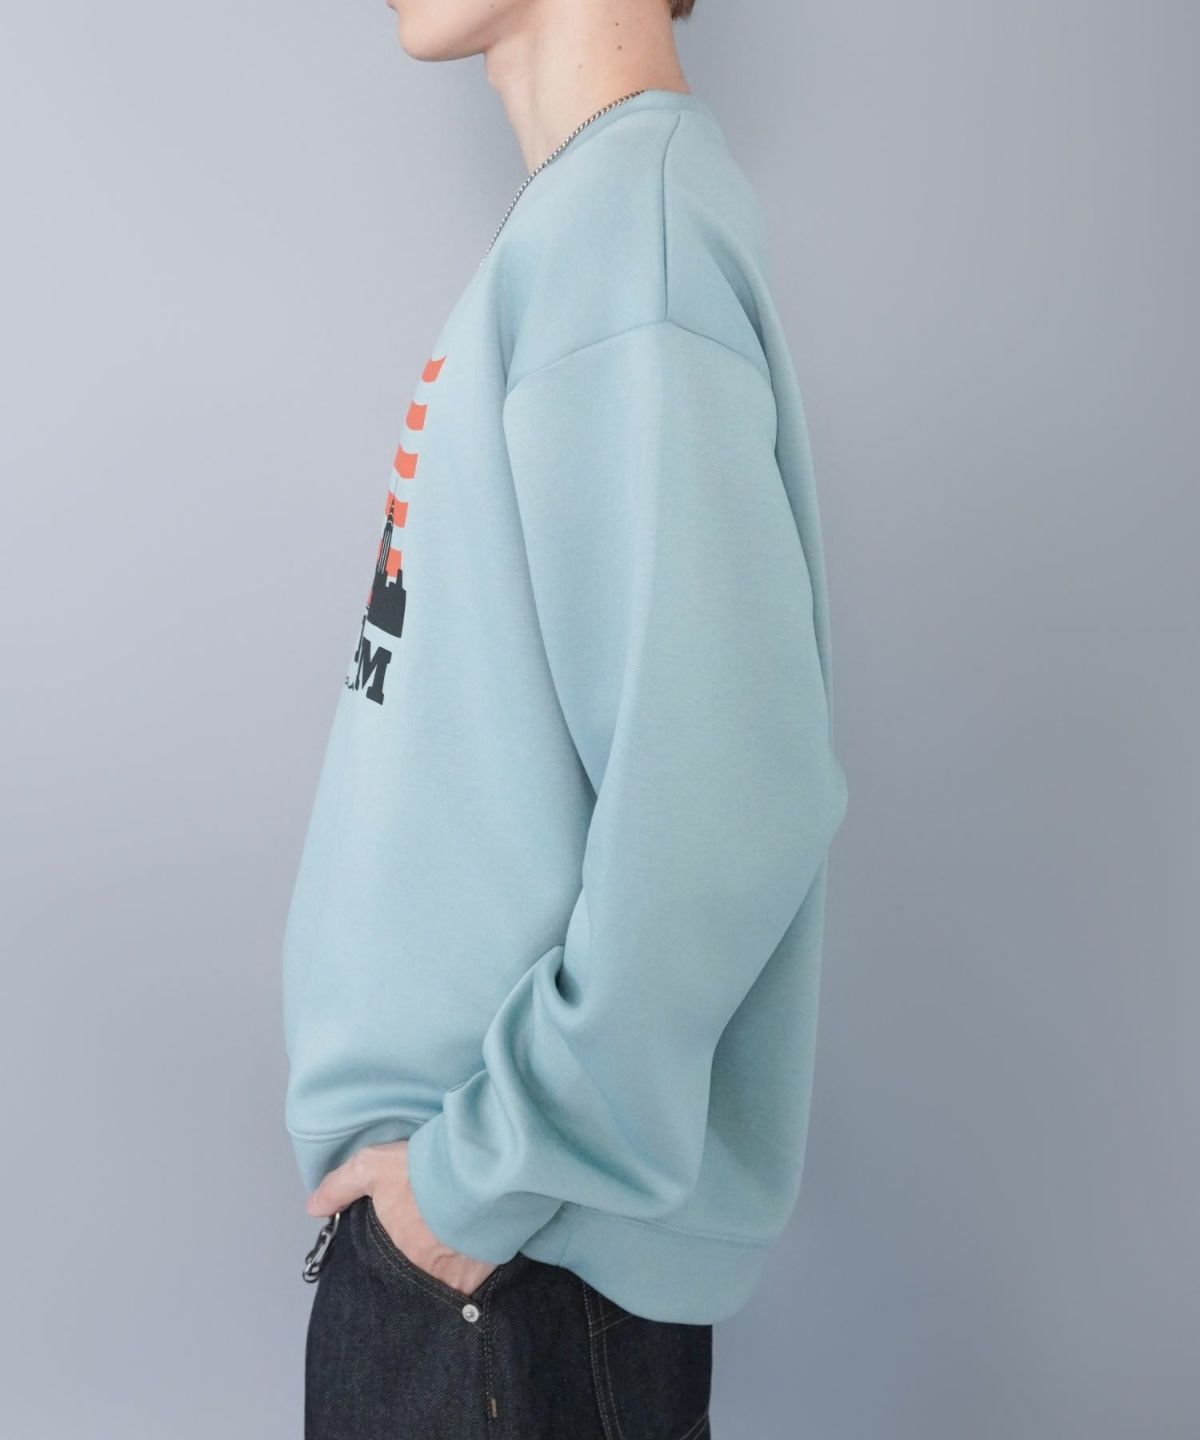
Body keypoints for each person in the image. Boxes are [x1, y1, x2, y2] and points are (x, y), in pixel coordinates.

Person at [283, 0, 849, 1434]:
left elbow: (727, 808)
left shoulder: (624, 247)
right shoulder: (588, 231)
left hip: (508, 1265)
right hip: (490, 1255)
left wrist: (466, 1188)